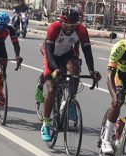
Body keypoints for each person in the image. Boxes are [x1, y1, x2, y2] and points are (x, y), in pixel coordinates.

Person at [38, 6, 101, 142]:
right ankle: (45, 124)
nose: (69, 29)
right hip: (52, 55)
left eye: (73, 26)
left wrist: (92, 71)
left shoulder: (81, 30)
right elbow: (48, 52)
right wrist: (55, 68)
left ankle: (71, 100)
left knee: (75, 68)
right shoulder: (54, 28)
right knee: (52, 88)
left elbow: (87, 52)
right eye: (66, 25)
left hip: (66, 54)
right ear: (61, 22)